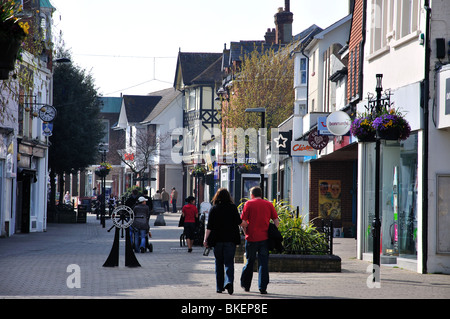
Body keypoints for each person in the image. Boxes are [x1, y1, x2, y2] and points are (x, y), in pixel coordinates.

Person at [204, 188, 244, 295]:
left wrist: (205, 239)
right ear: (228, 197)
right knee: (229, 262)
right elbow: (238, 222)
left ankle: (219, 287)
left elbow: (209, 227)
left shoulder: (214, 209)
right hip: (230, 240)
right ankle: (229, 281)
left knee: (219, 263)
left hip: (217, 241)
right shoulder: (232, 208)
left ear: (217, 197)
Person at [240, 186, 279, 294]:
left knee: (250, 262)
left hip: (251, 238)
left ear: (252, 195)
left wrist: (245, 232)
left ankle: (246, 285)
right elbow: (276, 221)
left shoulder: (248, 204)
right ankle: (262, 287)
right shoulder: (268, 204)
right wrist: (273, 232)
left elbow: (243, 221)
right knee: (263, 263)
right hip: (265, 239)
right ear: (261, 194)